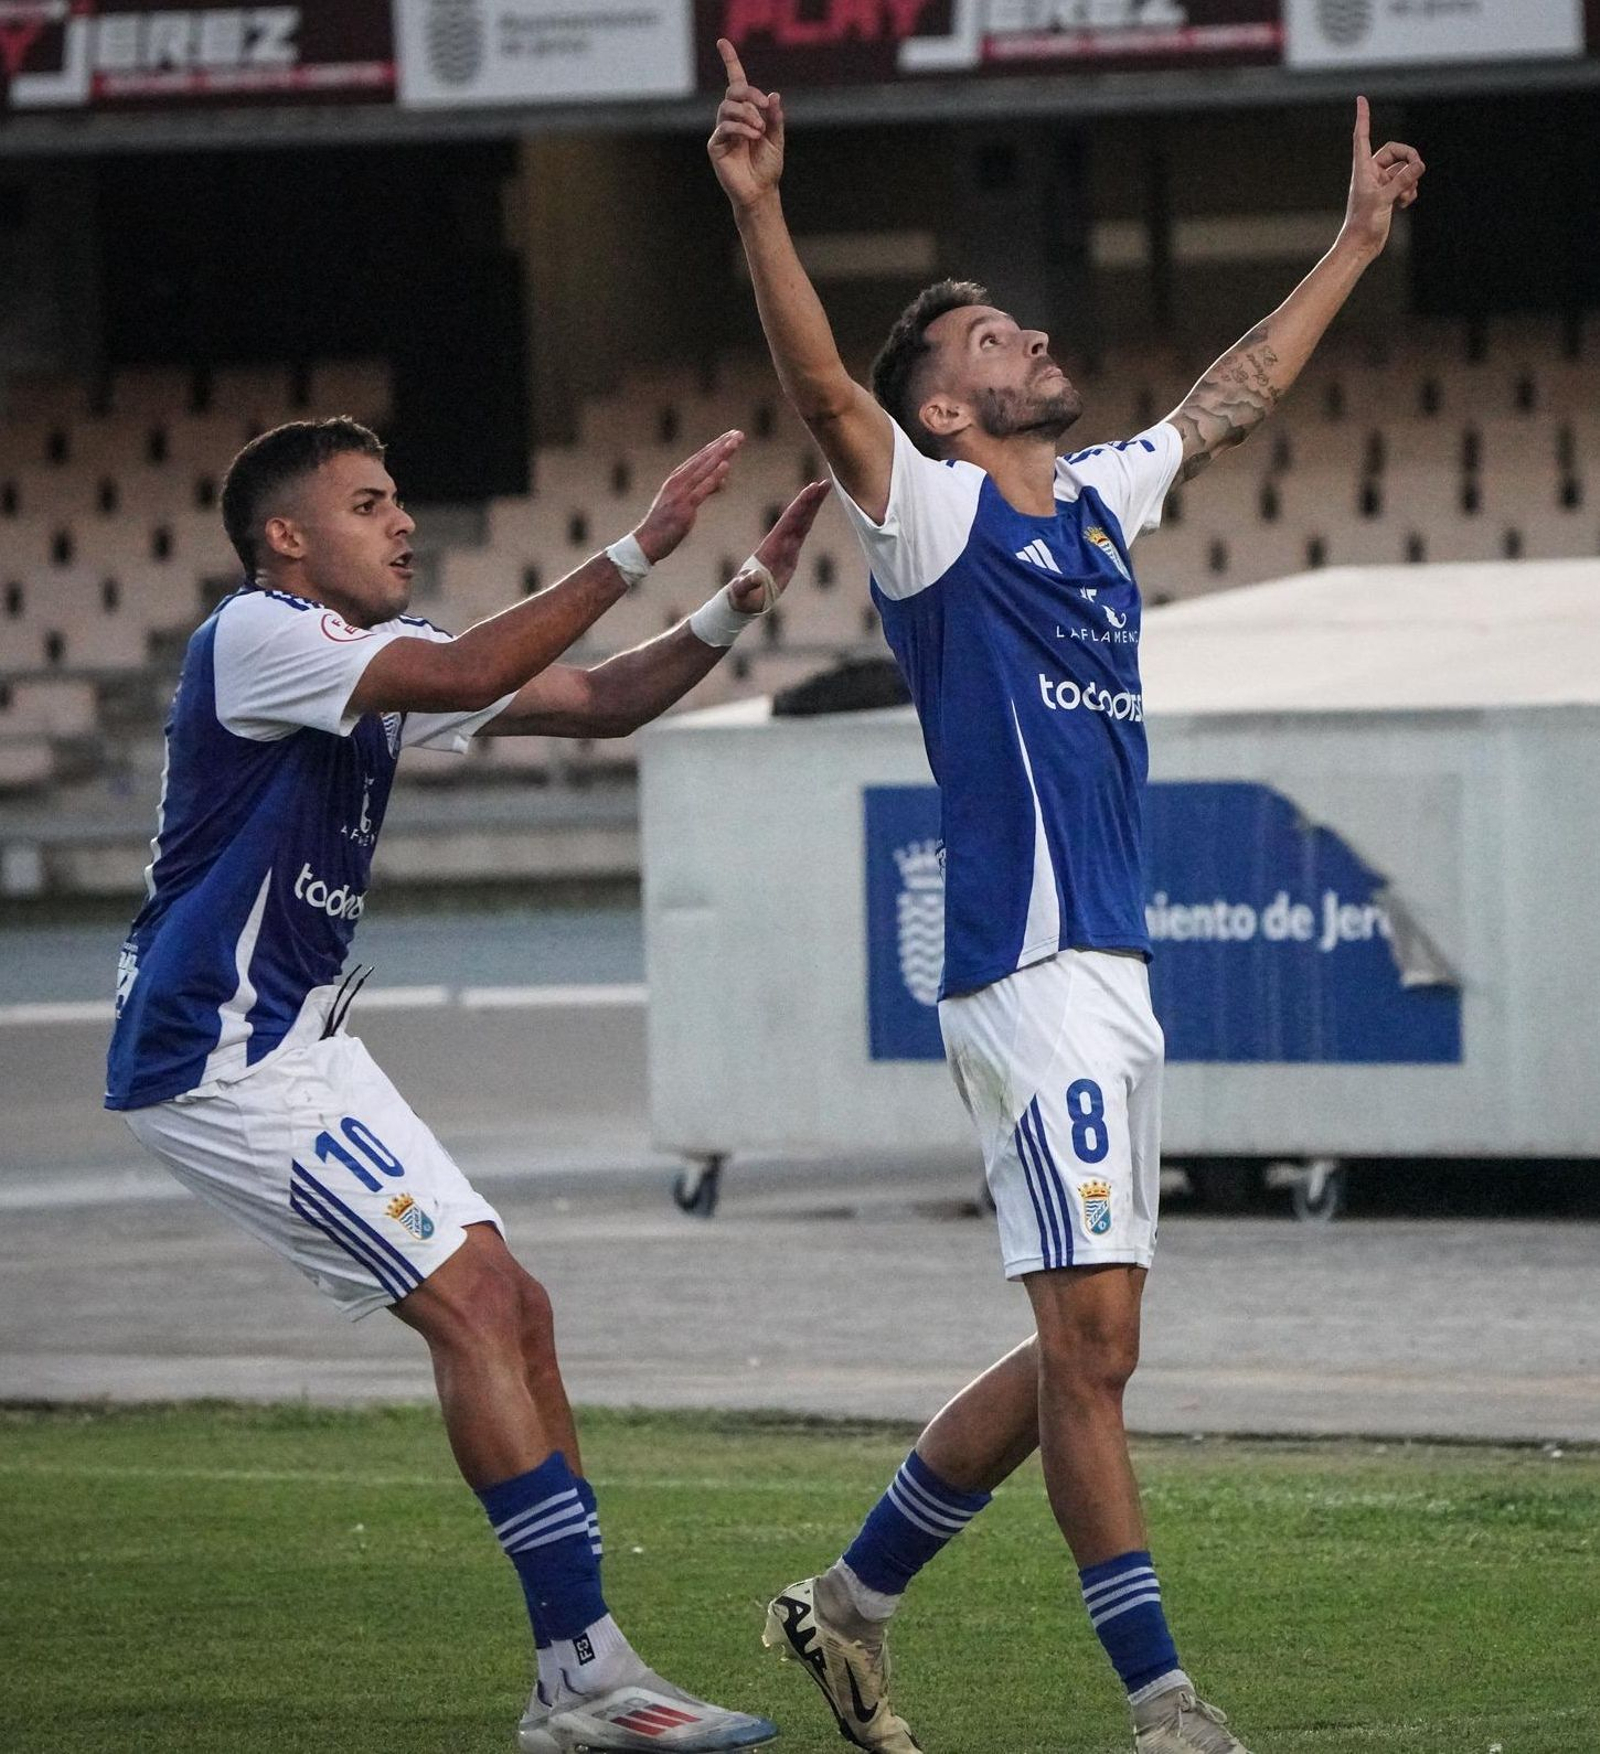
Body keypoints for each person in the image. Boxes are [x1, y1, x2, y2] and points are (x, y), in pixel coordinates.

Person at [709, 38, 1423, 1754]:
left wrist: (1348, 247)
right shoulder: (936, 519)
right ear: (945, 409)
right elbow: (823, 390)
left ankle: (851, 1604)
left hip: (1108, 967)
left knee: (1076, 1348)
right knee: (1091, 1350)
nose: (1030, 338)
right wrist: (761, 208)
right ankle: (1164, 1705)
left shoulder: (1095, 504)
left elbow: (1231, 394)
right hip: (1026, 972)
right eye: (987, 341)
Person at [105, 414, 828, 1754]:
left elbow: (603, 702)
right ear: (287, 538)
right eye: (370, 503)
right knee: (472, 1302)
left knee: (517, 1304)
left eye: (398, 499)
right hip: (219, 1051)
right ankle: (582, 1677)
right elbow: (488, 662)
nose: (402, 523)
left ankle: (587, 1668)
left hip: (305, 1044)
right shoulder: (258, 635)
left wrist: (739, 597)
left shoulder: (367, 662)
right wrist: (641, 544)